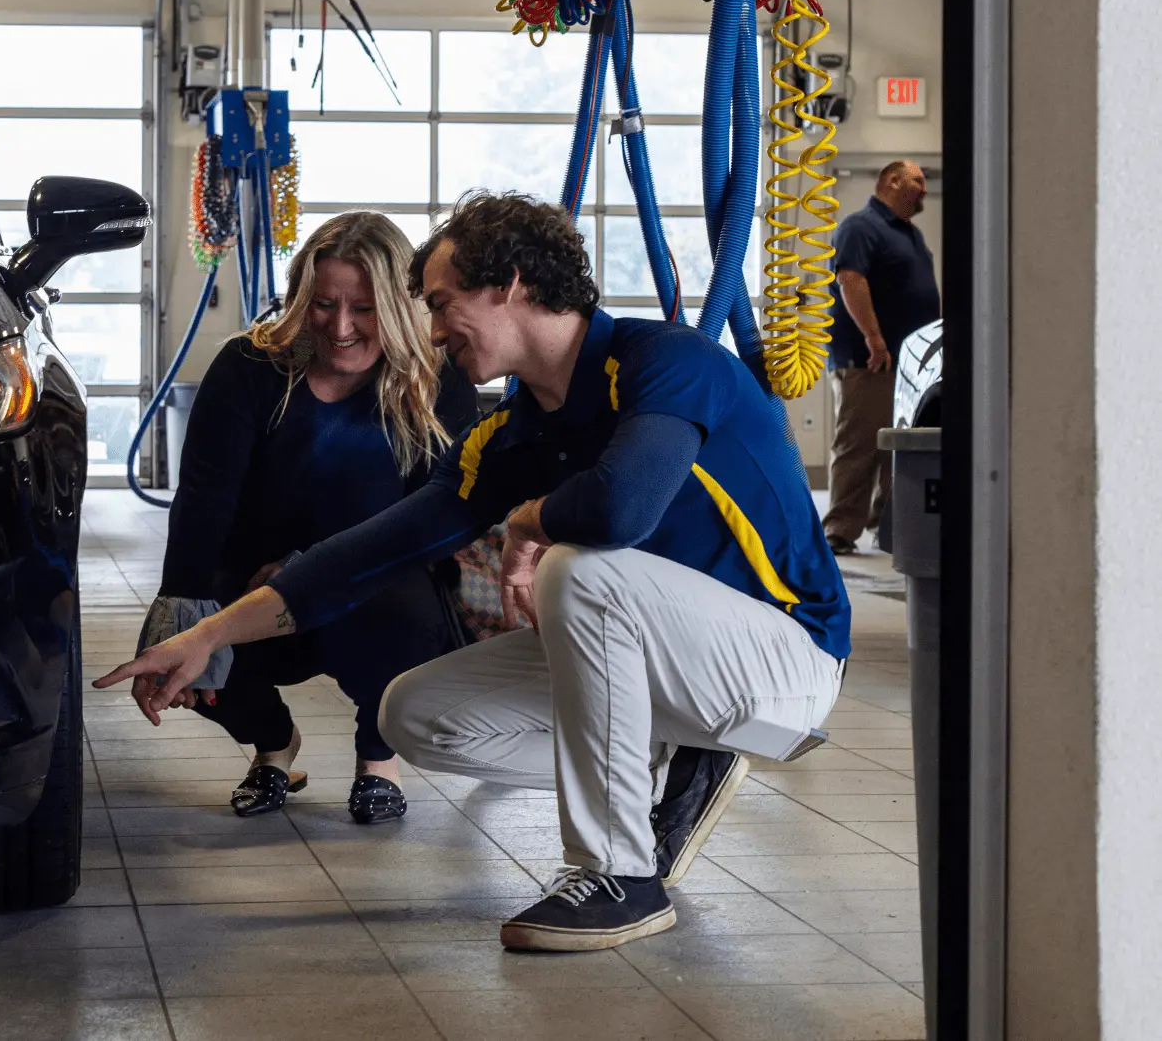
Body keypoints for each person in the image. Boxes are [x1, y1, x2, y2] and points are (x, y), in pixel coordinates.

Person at [98, 192, 849, 953]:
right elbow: (365, 553)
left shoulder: (666, 364)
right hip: (669, 670)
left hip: (785, 660)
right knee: (415, 712)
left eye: (440, 303)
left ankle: (620, 873)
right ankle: (676, 756)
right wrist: (203, 633)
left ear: (511, 283)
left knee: (577, 572)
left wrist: (527, 521)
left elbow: (619, 507)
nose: (427, 329)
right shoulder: (511, 432)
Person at [146, 212, 478, 824]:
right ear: (302, 297)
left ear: (402, 306)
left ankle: (378, 761)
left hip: (375, 584)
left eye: (365, 308)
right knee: (190, 655)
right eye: (324, 304)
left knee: (410, 618)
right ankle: (274, 746)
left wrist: (305, 572)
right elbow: (203, 500)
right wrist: (183, 610)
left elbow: (429, 518)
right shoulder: (248, 367)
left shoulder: (441, 379)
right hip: (251, 585)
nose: (341, 327)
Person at [823, 159, 939, 554]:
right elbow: (849, 279)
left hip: (905, 364)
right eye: (918, 180)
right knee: (860, 446)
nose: (924, 188)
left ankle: (888, 527)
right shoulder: (860, 226)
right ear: (892, 180)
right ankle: (839, 531)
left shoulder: (909, 234)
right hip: (871, 359)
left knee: (897, 448)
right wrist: (874, 339)